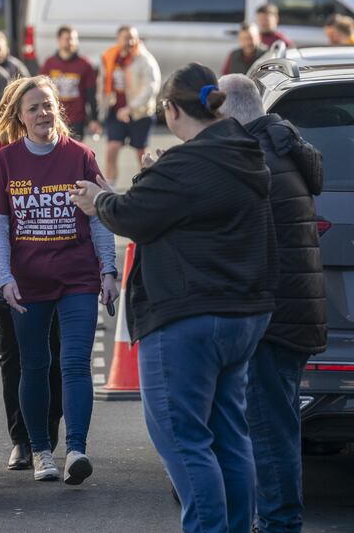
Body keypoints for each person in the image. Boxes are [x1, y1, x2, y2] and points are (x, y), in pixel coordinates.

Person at [71, 63, 278, 533]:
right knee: (229, 436)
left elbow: (132, 214)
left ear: (169, 109)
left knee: (184, 441)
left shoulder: (187, 165)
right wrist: (158, 173)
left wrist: (96, 200)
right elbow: (177, 200)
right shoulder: (244, 153)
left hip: (188, 317)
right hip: (244, 313)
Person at [0, 75, 117, 484]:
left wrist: (108, 269)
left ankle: (76, 448)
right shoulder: (5, 161)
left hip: (77, 278)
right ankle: (41, 451)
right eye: (33, 108)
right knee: (34, 364)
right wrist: (5, 278)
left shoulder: (80, 156)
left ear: (58, 108)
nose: (43, 113)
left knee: (74, 363)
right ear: (20, 118)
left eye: (48, 105)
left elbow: (99, 218)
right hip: (28, 282)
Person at [218, 73, 327, 533]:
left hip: (273, 315)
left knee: (267, 426)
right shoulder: (285, 146)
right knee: (276, 422)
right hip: (293, 310)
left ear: (229, 113)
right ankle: (279, 517)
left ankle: (279, 522)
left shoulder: (254, 159)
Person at [95, 25, 161, 185]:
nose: (130, 41)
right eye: (126, 38)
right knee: (111, 150)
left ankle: (147, 185)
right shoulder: (110, 57)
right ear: (118, 40)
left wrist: (130, 108)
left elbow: (151, 87)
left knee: (142, 153)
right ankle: (110, 187)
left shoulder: (145, 59)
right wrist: (101, 110)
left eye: (133, 38)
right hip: (116, 111)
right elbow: (102, 83)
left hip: (140, 113)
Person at [41, 25, 97, 142]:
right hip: (53, 117)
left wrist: (93, 119)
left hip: (76, 118)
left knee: (74, 155)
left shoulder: (85, 64)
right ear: (59, 41)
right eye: (67, 39)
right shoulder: (49, 64)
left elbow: (91, 94)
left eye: (73, 39)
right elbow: (40, 93)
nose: (71, 42)